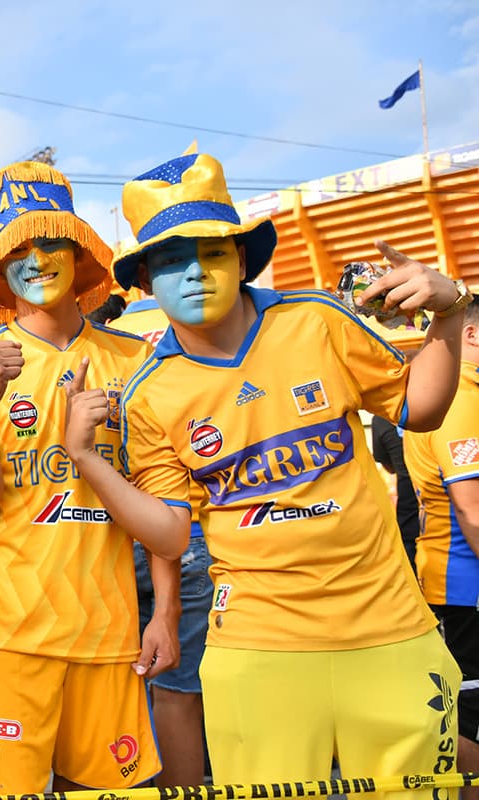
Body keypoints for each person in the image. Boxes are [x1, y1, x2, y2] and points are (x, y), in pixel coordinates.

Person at [115, 151, 469, 794]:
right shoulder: (147, 393)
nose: (194, 272)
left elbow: (420, 409)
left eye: (213, 252)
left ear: (243, 258)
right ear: (144, 279)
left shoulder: (316, 321)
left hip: (390, 629)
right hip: (255, 647)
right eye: (170, 260)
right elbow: (169, 534)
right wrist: (87, 461)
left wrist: (450, 311)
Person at [0, 161, 186, 794]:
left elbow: (161, 499)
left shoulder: (134, 360)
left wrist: (163, 614)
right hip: (8, 633)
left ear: (79, 254)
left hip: (111, 638)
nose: (38, 258)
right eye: (19, 246)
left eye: (52, 241)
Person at [108, 294, 212, 787]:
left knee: (118, 691)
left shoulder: (114, 341)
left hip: (110, 535)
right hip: (186, 524)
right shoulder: (188, 329)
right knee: (177, 692)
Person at [404, 293, 479, 796]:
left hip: (454, 579)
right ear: (470, 334)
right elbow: (473, 507)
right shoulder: (464, 395)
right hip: (464, 584)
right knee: (469, 713)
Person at [372, 415, 420, 568]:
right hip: (440, 490)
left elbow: (388, 466)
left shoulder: (381, 417)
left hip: (408, 496)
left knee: (410, 551)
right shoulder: (440, 405)